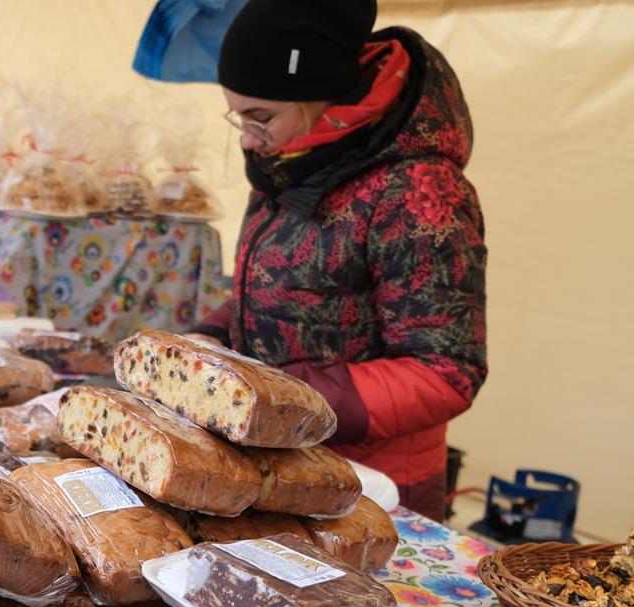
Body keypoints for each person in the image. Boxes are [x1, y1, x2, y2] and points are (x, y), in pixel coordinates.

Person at [192, 0, 486, 521]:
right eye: (238, 116)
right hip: (282, 461)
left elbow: (446, 372)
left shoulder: (417, 190)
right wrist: (213, 336)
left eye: (261, 117)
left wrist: (288, 396)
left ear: (321, 95)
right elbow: (275, 287)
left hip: (370, 487)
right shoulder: (289, 159)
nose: (247, 138)